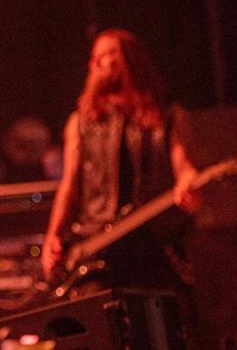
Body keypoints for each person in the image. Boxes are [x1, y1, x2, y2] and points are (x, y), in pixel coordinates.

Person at [41, 28, 200, 297]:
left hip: (152, 247)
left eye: (106, 55)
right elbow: (69, 186)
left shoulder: (167, 117)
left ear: (129, 60)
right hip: (96, 247)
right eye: (94, 58)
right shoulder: (81, 123)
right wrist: (53, 236)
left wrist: (189, 186)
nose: (96, 63)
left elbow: (184, 166)